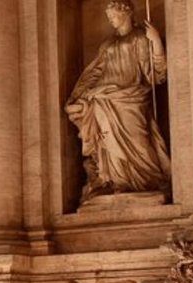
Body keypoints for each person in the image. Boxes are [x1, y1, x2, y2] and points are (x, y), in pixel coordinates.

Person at [65, 0, 171, 204]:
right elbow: (95, 72)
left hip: (132, 97)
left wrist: (156, 41)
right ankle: (116, 180)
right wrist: (78, 94)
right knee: (106, 139)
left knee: (138, 140)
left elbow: (155, 74)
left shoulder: (140, 37)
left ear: (127, 13)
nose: (111, 20)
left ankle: (146, 180)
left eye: (114, 15)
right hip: (104, 97)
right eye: (109, 16)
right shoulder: (108, 44)